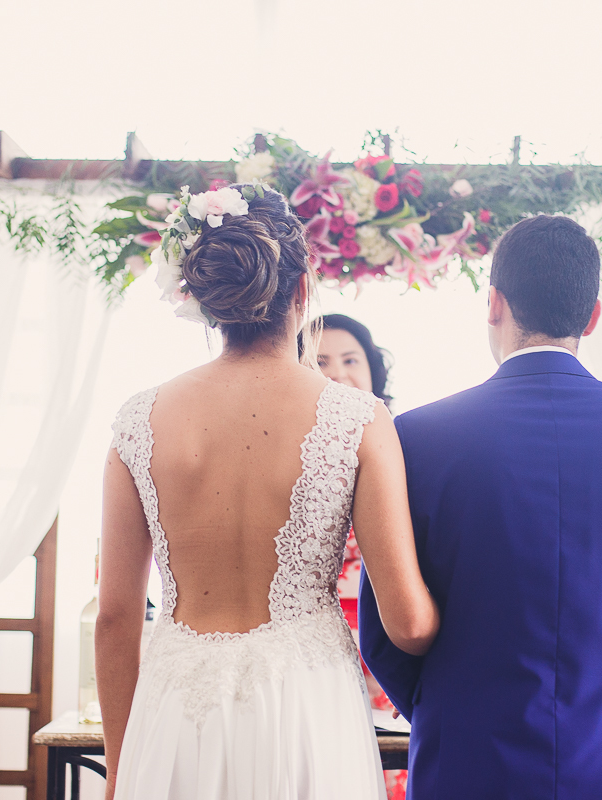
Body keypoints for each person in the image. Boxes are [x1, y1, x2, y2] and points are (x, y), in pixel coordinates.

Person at [96, 185, 440, 800]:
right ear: (303, 290)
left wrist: (121, 769)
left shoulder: (137, 420)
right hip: (307, 705)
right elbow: (408, 623)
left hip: (174, 710)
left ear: (202, 297)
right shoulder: (356, 418)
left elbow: (116, 618)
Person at [358, 214, 602, 799]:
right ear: (592, 316)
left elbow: (386, 628)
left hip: (470, 755)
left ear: (492, 303)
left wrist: (454, 707)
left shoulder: (415, 437)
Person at [313, 314, 407, 800]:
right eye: (321, 360)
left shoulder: (404, 440)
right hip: (319, 642)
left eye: (351, 360)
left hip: (389, 622)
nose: (338, 372)